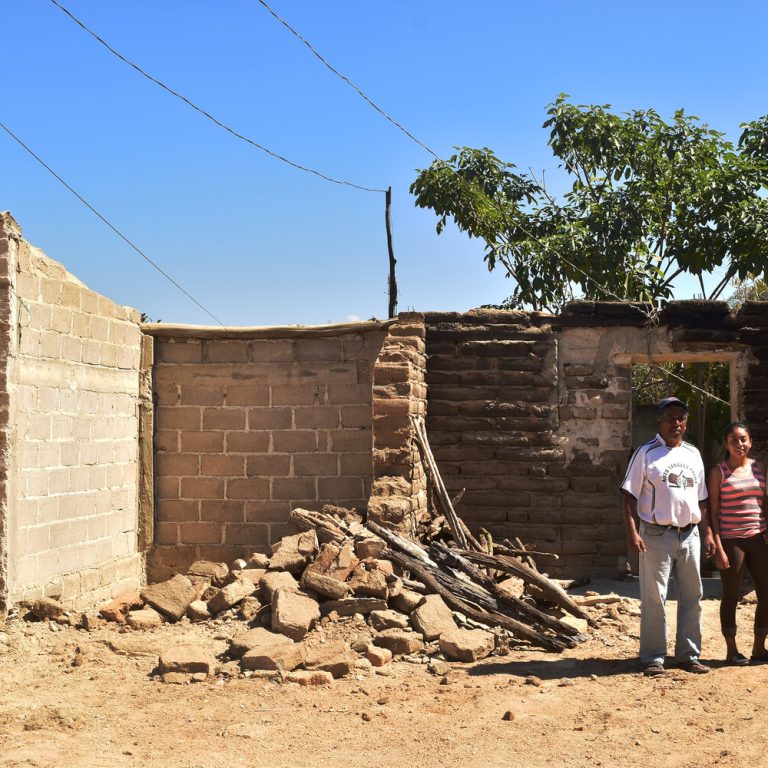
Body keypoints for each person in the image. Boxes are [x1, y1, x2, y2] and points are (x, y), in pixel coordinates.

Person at [621, 396, 715, 676]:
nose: (677, 422)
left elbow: (703, 499)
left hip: (689, 535)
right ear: (658, 421)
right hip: (656, 534)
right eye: (671, 417)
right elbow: (627, 495)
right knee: (655, 597)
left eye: (681, 417)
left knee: (693, 595)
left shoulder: (693, 454)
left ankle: (689, 655)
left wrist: (707, 532)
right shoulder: (646, 453)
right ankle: (654, 657)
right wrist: (633, 532)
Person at [708, 421, 768, 664]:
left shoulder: (759, 469)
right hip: (732, 540)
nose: (739, 444)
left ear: (750, 442)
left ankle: (758, 648)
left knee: (766, 593)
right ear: (726, 444)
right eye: (734, 440)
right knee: (732, 594)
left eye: (743, 439)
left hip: (758, 538)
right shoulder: (718, 472)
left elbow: (764, 503)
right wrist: (719, 547)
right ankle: (731, 650)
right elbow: (713, 512)